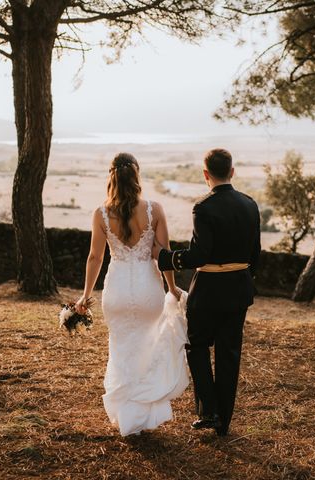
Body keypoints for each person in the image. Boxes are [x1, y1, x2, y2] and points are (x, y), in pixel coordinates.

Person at [75, 152, 189, 437]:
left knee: (122, 350)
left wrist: (85, 295)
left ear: (111, 176)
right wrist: (172, 288)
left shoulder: (100, 214)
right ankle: (143, 415)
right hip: (148, 291)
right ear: (137, 175)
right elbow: (163, 257)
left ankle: (127, 417)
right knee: (147, 349)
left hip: (116, 292)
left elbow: (94, 257)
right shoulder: (154, 210)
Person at [152, 148, 260, 437]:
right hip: (239, 288)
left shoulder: (203, 208)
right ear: (232, 172)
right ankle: (223, 421)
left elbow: (199, 256)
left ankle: (208, 410)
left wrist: (167, 258)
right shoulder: (250, 205)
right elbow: (255, 254)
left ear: (205, 174)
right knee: (229, 353)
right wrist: (244, 279)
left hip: (209, 290)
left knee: (197, 344)